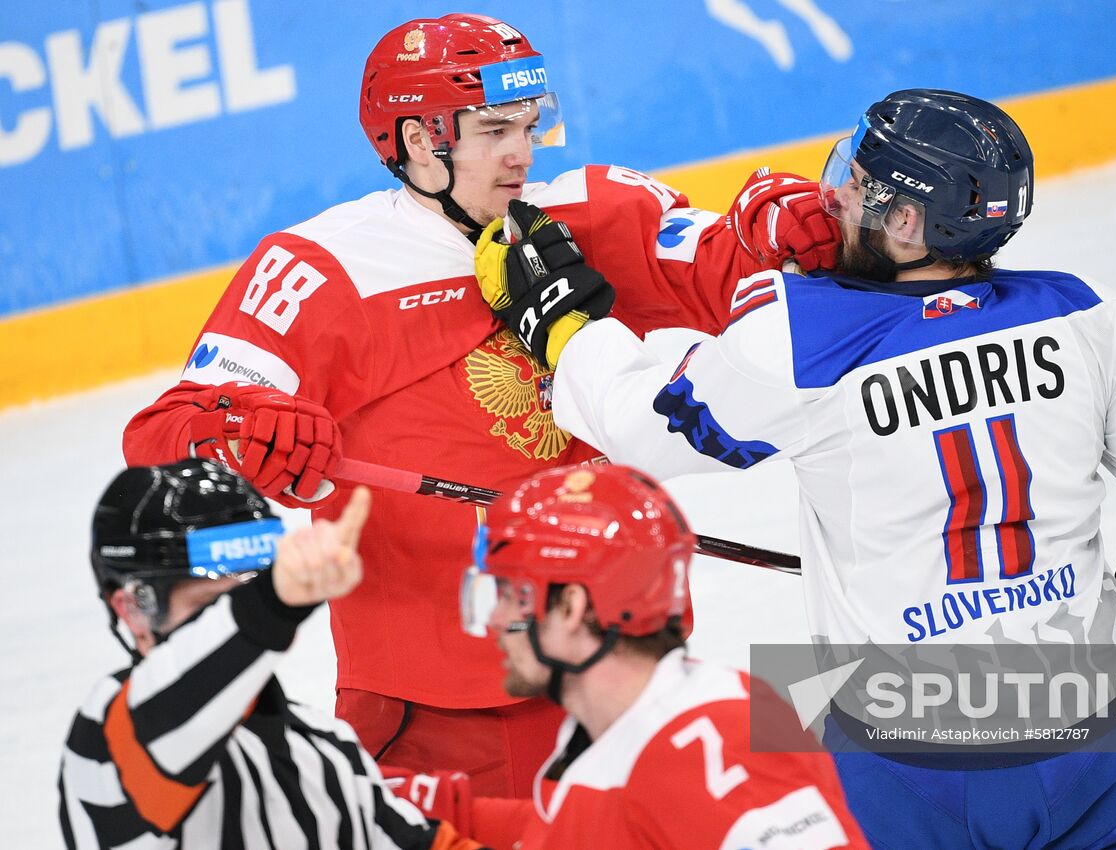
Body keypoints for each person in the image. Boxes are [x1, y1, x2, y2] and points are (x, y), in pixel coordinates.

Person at [478, 89, 1116, 847]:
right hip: (1104, 751)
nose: (833, 198)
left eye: (857, 186)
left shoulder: (802, 340)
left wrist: (565, 324)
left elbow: (643, 424)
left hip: (907, 770)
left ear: (905, 220)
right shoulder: (1092, 315)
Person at [120, 13, 839, 795]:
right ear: (419, 139)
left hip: (625, 678)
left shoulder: (589, 212)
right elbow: (165, 437)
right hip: (439, 714)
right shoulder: (323, 269)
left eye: (530, 125)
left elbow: (723, 263)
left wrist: (778, 228)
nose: (522, 153)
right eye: (494, 129)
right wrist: (238, 434)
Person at [386, 463, 869, 849]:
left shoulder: (713, 740)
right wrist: (410, 799)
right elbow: (584, 827)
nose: (493, 621)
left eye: (512, 595)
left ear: (572, 607)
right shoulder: (614, 734)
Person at [59, 459, 482, 849]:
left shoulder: (323, 747)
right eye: (210, 602)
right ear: (132, 609)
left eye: (249, 583)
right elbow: (166, 710)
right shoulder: (106, 740)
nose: (235, 609)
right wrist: (276, 598)